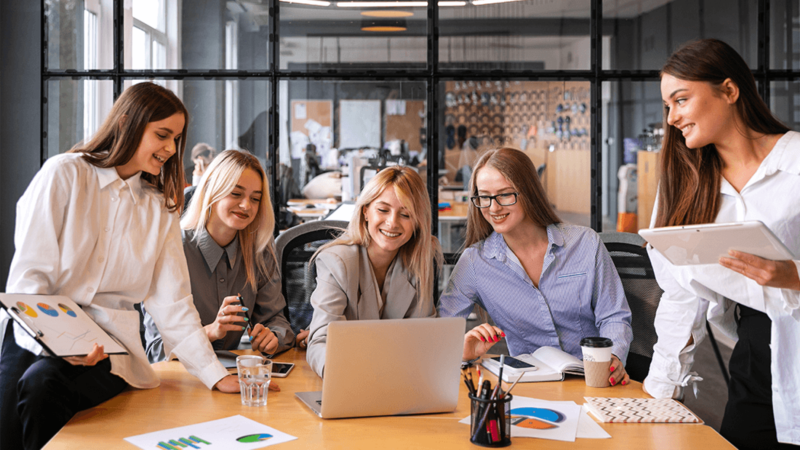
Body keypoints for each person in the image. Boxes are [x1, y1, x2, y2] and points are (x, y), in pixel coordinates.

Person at [0, 82, 238, 450]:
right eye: (162, 134)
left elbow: (172, 303)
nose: (172, 149)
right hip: (35, 330)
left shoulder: (159, 208)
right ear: (127, 123)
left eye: (176, 138)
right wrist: (61, 340)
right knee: (9, 422)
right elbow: (31, 277)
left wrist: (214, 374)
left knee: (41, 387)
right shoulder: (64, 174)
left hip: (109, 348)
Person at [643, 39, 800, 449]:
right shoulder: (684, 183)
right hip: (756, 350)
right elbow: (681, 294)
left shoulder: (797, 163)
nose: (672, 117)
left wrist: (793, 275)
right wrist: (661, 391)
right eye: (667, 106)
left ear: (729, 91)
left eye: (681, 100)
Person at [438, 147, 633, 387]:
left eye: (505, 194)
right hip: (528, 387)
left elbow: (613, 315)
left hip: (594, 380)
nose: (494, 208)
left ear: (528, 191)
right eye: (484, 196)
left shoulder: (584, 243)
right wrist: (462, 350)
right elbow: (442, 331)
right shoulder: (475, 262)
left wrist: (613, 356)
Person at [142, 149, 295, 363]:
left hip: (232, 378)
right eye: (236, 193)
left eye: (255, 198)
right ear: (211, 191)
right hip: (179, 382)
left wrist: (273, 336)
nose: (246, 206)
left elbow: (276, 321)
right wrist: (210, 332)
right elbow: (156, 350)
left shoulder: (259, 252)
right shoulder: (171, 250)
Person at [304, 166, 443, 377]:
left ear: (417, 222)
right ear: (365, 211)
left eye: (405, 214)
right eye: (383, 210)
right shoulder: (337, 261)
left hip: (398, 379)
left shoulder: (420, 260)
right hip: (348, 375)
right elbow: (320, 343)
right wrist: (341, 374)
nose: (392, 222)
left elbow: (423, 338)